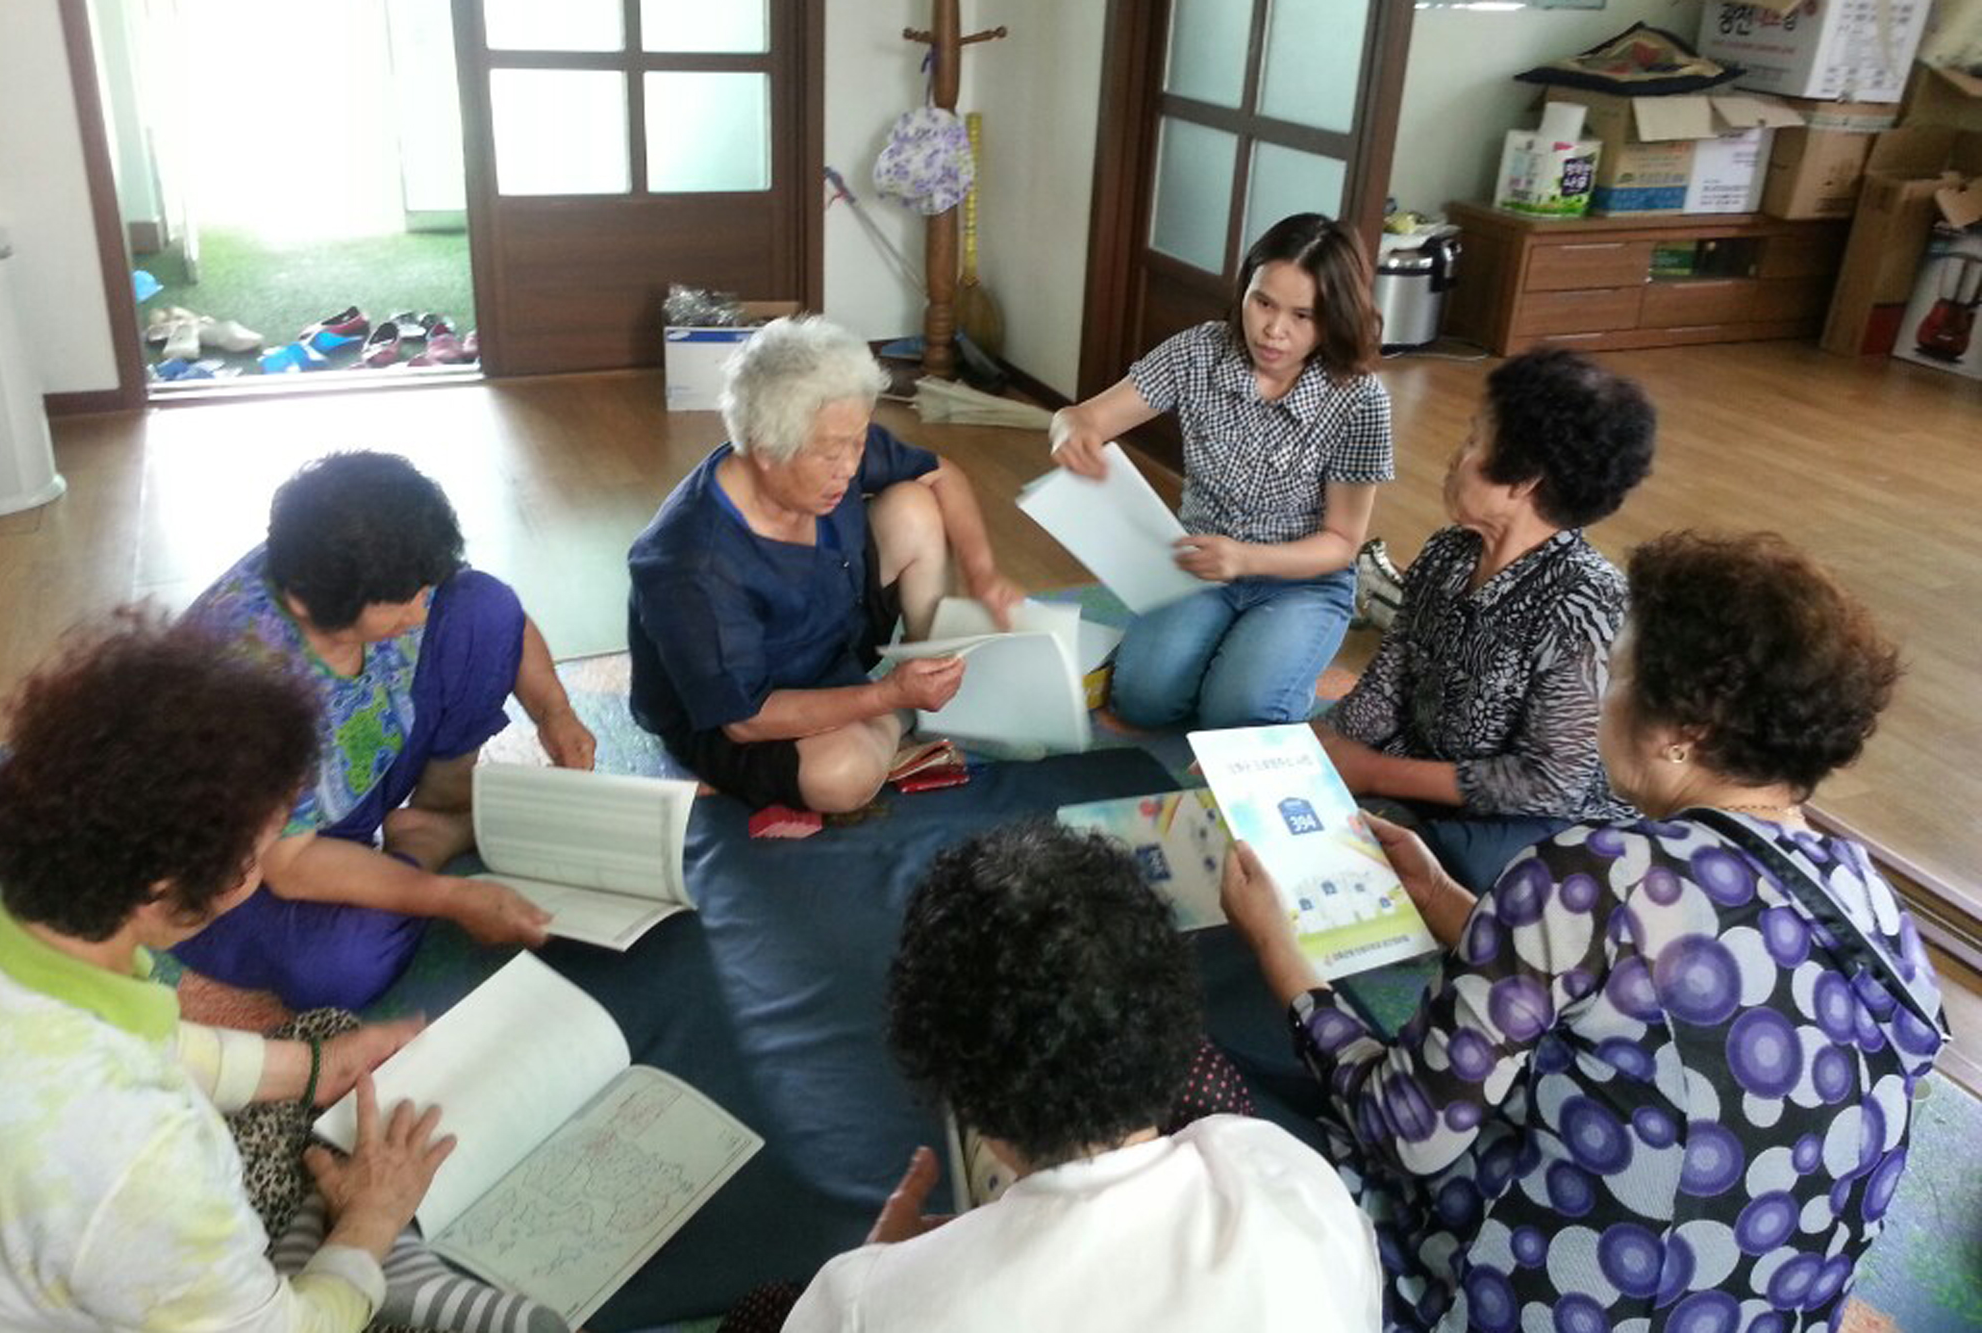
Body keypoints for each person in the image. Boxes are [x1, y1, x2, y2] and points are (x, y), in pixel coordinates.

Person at [1224, 531, 1945, 1333]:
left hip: (1552, 1298)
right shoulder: (1874, 904)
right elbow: (1647, 1001)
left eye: (1618, 671)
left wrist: (1280, 951)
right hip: (1760, 1308)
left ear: (1685, 730)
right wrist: (1440, 896)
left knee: (1219, 1116)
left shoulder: (1600, 872)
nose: (1602, 693)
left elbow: (1405, 1128)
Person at [0, 613, 455, 1332]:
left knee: (325, 1036)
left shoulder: (29, 942)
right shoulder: (141, 1150)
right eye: (264, 849)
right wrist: (371, 1220)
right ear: (168, 888)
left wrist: (313, 1067)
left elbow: (143, 1040)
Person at [774, 822, 1381, 1332]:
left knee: (766, 1306)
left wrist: (880, 1267)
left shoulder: (863, 1303)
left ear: (967, 1103)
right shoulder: (1286, 1172)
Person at [172, 450, 595, 1011]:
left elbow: (494, 618)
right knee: (342, 964)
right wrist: (449, 897)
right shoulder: (251, 687)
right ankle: (425, 851)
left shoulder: (363, 571)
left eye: (422, 591)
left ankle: (436, 816)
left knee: (484, 605)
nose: (420, 611)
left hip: (351, 783)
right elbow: (289, 868)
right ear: (304, 603)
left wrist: (555, 713)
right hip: (249, 870)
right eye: (402, 603)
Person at [628, 315, 1021, 813]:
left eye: (859, 441)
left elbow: (940, 473)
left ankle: (931, 686)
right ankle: (907, 714)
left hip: (832, 638)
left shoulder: (832, 436)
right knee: (840, 775)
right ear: (765, 450)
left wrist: (983, 573)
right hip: (734, 716)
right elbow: (747, 719)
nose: (851, 466)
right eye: (833, 452)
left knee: (913, 505)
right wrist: (890, 697)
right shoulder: (691, 564)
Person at [1319, 347, 1656, 889]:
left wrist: (1374, 773)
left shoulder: (1587, 603)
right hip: (1426, 762)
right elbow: (1386, 685)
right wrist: (1300, 752)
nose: (1456, 457)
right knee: (1324, 806)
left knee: (1429, 863)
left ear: (1524, 481)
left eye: (1474, 440)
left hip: (1531, 815)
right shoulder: (1448, 551)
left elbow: (1549, 782)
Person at [1049, 212, 1392, 729]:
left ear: (1334, 318)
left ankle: (1260, 663)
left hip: (1302, 582)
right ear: (1245, 289)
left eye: (1302, 315)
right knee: (1141, 699)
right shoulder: (1200, 351)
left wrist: (1245, 557)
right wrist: (1070, 433)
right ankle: (1223, 652)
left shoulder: (1361, 399)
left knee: (1240, 714)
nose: (1274, 329)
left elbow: (1342, 543)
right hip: (1199, 564)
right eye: (1263, 302)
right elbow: (1082, 417)